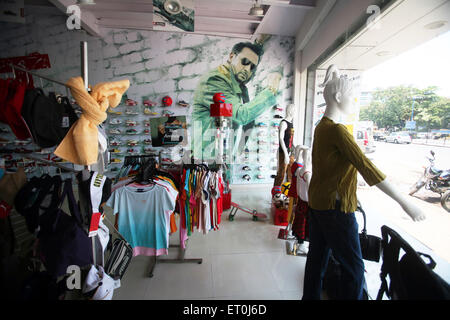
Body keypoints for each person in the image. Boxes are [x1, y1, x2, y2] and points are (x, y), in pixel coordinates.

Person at [302, 65, 426, 300]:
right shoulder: (338, 131)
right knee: (354, 269)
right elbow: (368, 168)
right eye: (352, 97)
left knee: (317, 260)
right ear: (339, 97)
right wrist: (404, 202)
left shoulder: (321, 127)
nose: (354, 102)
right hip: (336, 210)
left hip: (318, 204)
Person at [192, 41, 281, 161]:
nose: (247, 69)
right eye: (244, 62)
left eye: (252, 67)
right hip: (205, 165)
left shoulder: (237, 87)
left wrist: (238, 151)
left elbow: (247, 122)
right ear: (232, 57)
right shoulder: (215, 80)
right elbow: (241, 115)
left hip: (220, 161)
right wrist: (271, 90)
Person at [273, 103, 295, 187]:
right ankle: (276, 193)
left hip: (291, 151)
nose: (295, 113)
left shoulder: (291, 123)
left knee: (291, 173)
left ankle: (289, 194)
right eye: (294, 111)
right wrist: (286, 154)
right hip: (283, 152)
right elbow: (281, 139)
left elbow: (291, 138)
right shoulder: (283, 123)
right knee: (281, 174)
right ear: (290, 111)